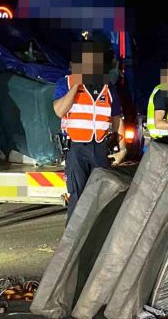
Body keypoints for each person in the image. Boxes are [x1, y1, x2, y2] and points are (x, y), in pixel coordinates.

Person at [53, 38, 127, 220]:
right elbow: (59, 110)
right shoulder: (66, 83)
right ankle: (73, 245)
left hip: (100, 148)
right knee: (77, 198)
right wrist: (77, 85)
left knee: (103, 197)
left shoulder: (108, 87)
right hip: (77, 149)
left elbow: (117, 120)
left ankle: (97, 243)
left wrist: (123, 149)